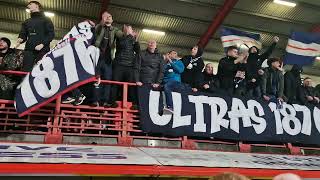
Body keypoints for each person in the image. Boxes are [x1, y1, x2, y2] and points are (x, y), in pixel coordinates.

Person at [91, 11, 122, 107]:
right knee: (97, 79)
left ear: (112, 20)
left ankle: (105, 101)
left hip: (108, 59)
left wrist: (127, 33)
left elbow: (121, 35)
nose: (108, 18)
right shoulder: (99, 27)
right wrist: (101, 22)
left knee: (108, 80)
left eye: (110, 16)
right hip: (98, 57)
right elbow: (95, 31)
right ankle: (95, 101)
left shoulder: (115, 30)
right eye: (106, 16)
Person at [16, 1, 54, 72]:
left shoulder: (46, 19)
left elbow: (51, 34)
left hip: (43, 50)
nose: (28, 6)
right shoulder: (26, 21)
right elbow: (23, 34)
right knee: (25, 71)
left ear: (37, 6)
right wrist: (20, 39)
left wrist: (42, 44)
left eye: (30, 4)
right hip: (29, 50)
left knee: (42, 71)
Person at [107, 25, 140, 108]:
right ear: (125, 30)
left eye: (131, 29)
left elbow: (138, 51)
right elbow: (123, 45)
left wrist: (136, 40)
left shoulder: (132, 39)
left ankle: (133, 103)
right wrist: (130, 35)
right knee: (115, 84)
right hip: (119, 64)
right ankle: (112, 101)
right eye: (130, 29)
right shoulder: (120, 37)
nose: (132, 31)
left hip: (130, 65)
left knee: (131, 85)